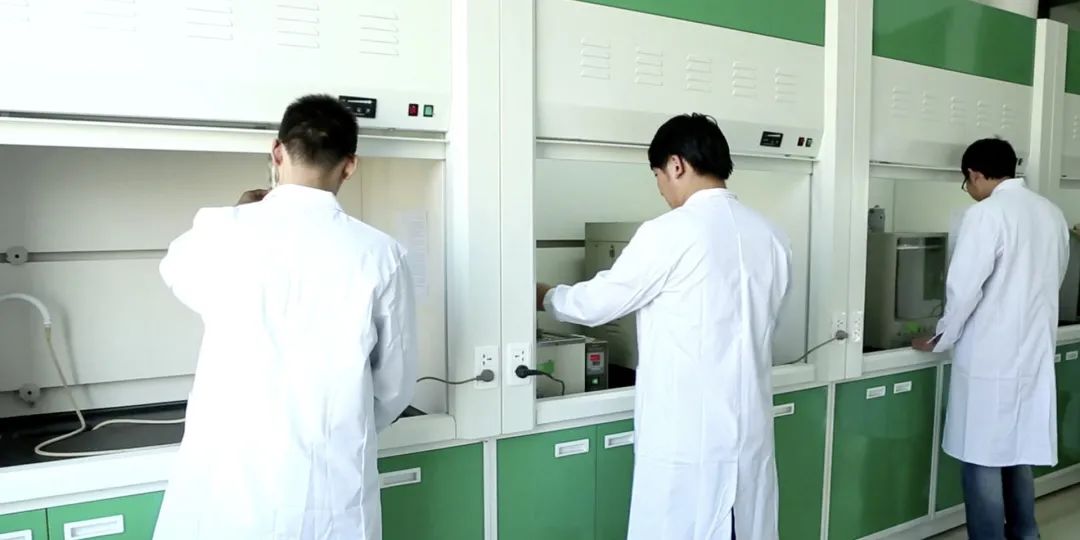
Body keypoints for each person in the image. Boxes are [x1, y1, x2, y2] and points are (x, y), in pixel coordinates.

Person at [154, 95, 418, 540]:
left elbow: (176, 271)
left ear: (277, 152)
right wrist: (343, 421)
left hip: (227, 486)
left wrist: (238, 213)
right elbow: (393, 386)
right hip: (328, 486)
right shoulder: (381, 254)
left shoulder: (220, 232)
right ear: (350, 166)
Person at [537, 114, 791, 540]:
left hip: (686, 439)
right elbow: (768, 324)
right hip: (749, 436)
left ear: (676, 164)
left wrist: (546, 296)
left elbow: (599, 302)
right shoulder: (772, 236)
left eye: (657, 175)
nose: (660, 188)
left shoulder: (670, 232)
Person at [913, 138, 1069, 539]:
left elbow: (964, 290)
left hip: (989, 357)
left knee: (981, 456)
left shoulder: (985, 215)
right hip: (1032, 353)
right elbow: (1054, 278)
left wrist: (941, 336)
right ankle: (1026, 534)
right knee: (1017, 455)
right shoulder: (1050, 213)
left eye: (966, 183)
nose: (969, 190)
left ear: (975, 175)